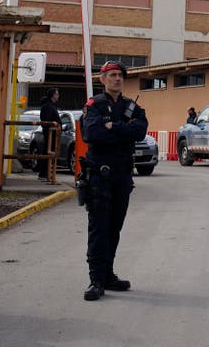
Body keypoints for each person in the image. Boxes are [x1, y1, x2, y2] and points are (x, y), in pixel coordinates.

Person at [80, 61, 148, 301]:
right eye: (112, 75)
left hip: (122, 175)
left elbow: (140, 131)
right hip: (100, 175)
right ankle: (95, 280)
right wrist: (122, 131)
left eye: (120, 75)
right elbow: (92, 134)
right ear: (103, 79)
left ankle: (108, 275)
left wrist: (114, 126)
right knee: (99, 228)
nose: (117, 79)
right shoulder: (94, 105)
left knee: (114, 228)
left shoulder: (132, 107)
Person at [37, 88, 60, 182]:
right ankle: (43, 173)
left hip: (54, 133)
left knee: (50, 152)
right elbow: (47, 120)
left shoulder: (51, 105)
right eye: (57, 94)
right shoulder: (48, 106)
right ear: (53, 95)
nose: (58, 96)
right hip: (50, 133)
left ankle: (47, 173)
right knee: (47, 151)